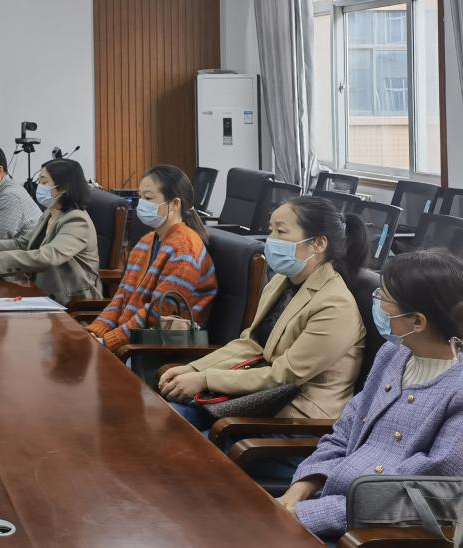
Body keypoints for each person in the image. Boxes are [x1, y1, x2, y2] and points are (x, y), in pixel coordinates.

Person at [277, 249, 463, 541]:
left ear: (417, 321)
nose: (376, 302)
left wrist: (306, 514)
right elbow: (343, 433)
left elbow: (408, 496)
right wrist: (300, 488)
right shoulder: (393, 354)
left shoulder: (457, 392)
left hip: (370, 534)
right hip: (325, 502)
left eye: (383, 298)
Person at [160, 196, 368, 430]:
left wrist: (206, 379)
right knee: (166, 416)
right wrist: (195, 369)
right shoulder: (282, 281)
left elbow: (284, 375)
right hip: (258, 397)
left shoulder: (335, 305)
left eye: (281, 231)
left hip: (297, 419)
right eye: (271, 230)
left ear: (318, 244)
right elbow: (251, 344)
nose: (271, 239)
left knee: (180, 434)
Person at [87, 165, 218, 353]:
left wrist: (108, 342)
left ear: (175, 204)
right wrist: (96, 331)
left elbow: (158, 313)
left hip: (159, 349)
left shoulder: (185, 250)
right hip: (132, 341)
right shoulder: (147, 242)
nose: (141, 204)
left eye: (148, 198)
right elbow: (122, 296)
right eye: (140, 197)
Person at [0, 158, 100, 305]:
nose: (39, 187)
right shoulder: (51, 212)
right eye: (39, 181)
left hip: (72, 299)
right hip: (41, 289)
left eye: (44, 182)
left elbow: (49, 256)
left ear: (64, 188)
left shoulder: (76, 220)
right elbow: (23, 243)